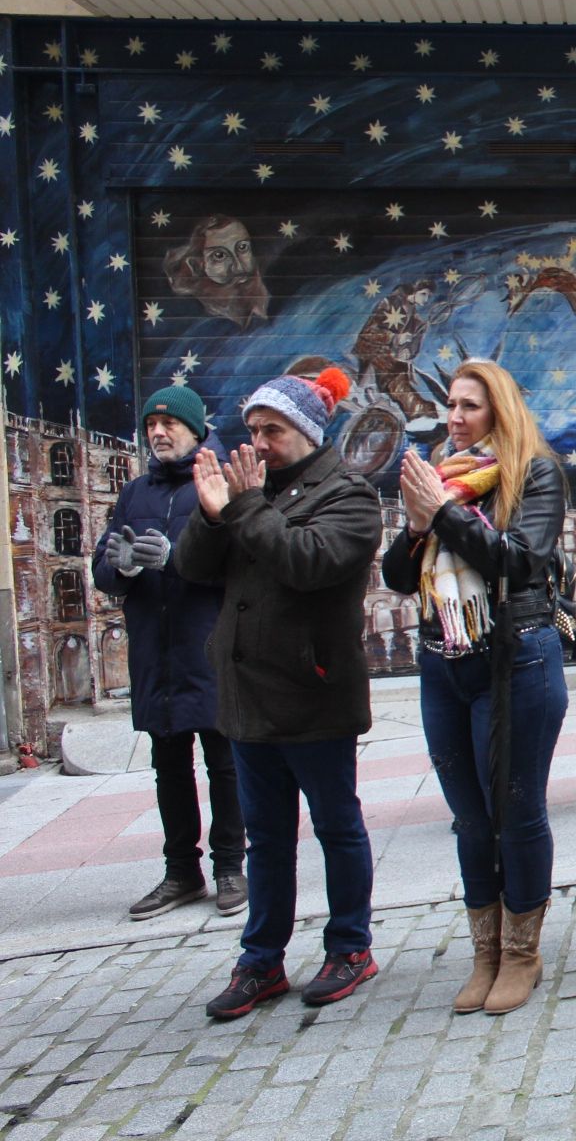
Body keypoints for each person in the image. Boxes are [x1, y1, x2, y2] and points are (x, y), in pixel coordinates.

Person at [174, 368, 384, 1020]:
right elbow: (190, 569)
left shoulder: (348, 494)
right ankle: (260, 960)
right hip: (246, 696)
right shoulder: (248, 492)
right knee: (265, 837)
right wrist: (214, 519)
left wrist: (243, 507)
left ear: (307, 432)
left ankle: (350, 946)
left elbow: (307, 562)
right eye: (254, 429)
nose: (259, 442)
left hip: (313, 693)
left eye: (274, 430)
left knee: (335, 826)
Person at [381, 359, 569, 1017]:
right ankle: (484, 952)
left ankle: (522, 952)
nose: (455, 419)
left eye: (469, 407)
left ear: (500, 413)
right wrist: (414, 525)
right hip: (443, 662)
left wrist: (444, 515)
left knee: (516, 813)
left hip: (516, 658)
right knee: (469, 819)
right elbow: (399, 580)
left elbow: (519, 560)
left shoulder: (534, 474)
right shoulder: (441, 480)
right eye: (451, 407)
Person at [92, 386, 246, 922]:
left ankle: (231, 866)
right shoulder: (136, 492)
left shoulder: (223, 479)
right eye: (151, 424)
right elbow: (103, 567)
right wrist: (123, 568)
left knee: (225, 762)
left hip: (209, 647)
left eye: (169, 423)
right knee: (169, 766)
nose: (158, 432)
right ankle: (182, 871)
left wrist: (177, 560)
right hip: (156, 655)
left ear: (196, 428)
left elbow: (244, 561)